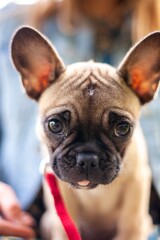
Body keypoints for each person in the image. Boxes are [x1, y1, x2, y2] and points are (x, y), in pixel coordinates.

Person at [0, 0, 160, 238]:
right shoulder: (8, 23)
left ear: (145, 84)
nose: (87, 160)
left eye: (120, 127)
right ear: (35, 81)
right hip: (31, 222)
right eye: (57, 125)